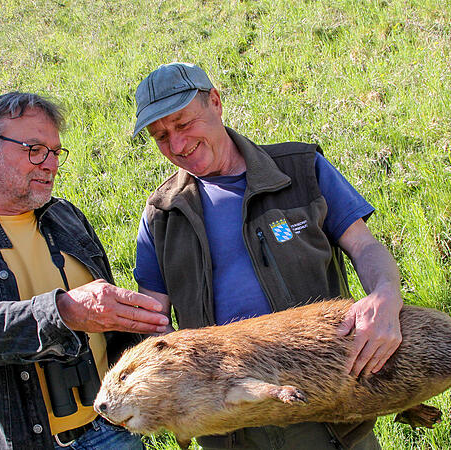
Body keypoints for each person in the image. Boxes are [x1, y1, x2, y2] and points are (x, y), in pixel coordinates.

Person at [132, 63, 404, 450]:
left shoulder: (300, 170)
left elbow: (365, 246)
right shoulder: (161, 215)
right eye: (161, 136)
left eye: (184, 123)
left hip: (328, 414)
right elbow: (153, 321)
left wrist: (386, 293)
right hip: (232, 431)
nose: (177, 145)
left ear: (215, 102)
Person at [0, 92, 169, 449]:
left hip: (113, 428)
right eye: (34, 150)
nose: (50, 164)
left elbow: (110, 328)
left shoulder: (67, 216)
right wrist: (63, 312)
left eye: (55, 153)